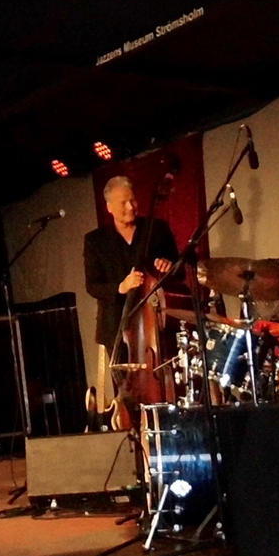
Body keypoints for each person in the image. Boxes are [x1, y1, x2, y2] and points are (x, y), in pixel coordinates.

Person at [83, 176, 179, 420]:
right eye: (123, 202)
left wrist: (168, 266)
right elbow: (92, 285)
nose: (130, 207)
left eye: (133, 200)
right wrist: (121, 287)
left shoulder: (156, 229)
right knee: (126, 397)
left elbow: (179, 269)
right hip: (116, 326)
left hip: (154, 325)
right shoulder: (95, 241)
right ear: (109, 207)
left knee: (161, 385)